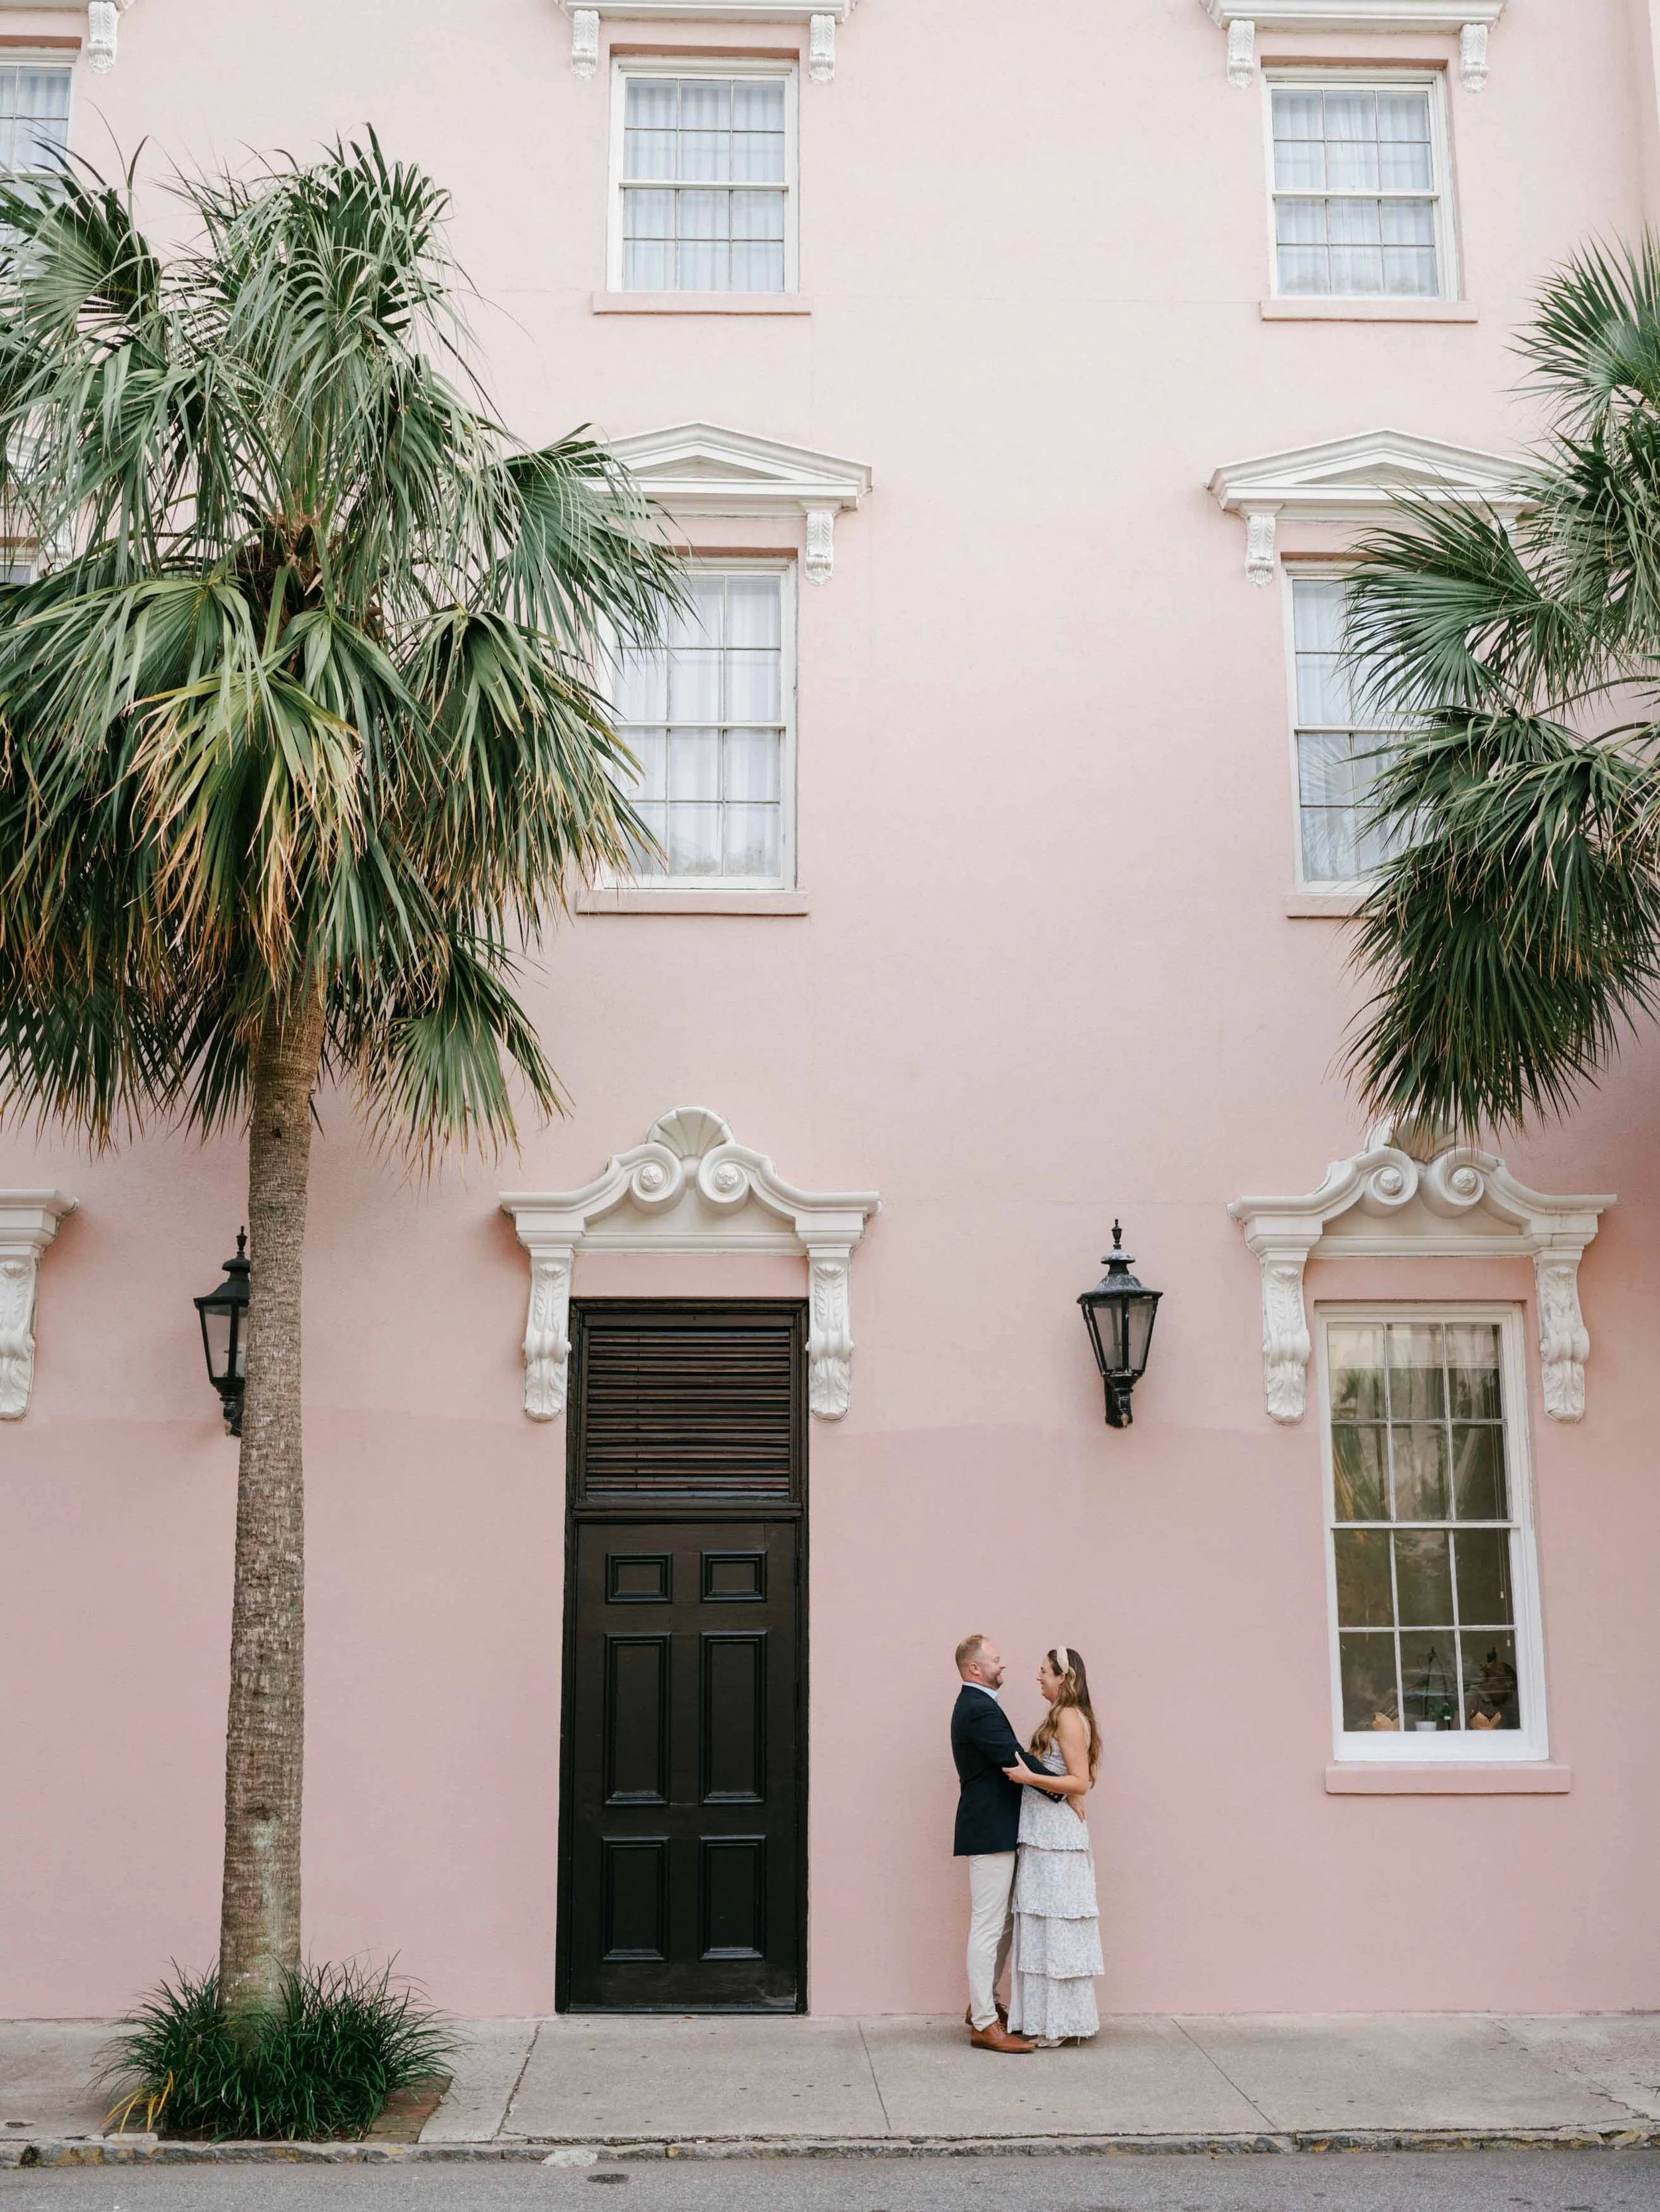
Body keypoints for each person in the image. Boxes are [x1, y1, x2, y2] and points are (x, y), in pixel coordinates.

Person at [1002, 1645, 1104, 2047]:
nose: (1038, 1677)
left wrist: (1029, 1777)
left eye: (1044, 1671)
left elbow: (1080, 1783)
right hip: (1044, 1835)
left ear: (1064, 1677)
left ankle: (1058, 2022)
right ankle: (1046, 2019)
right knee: (1044, 1927)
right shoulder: (1060, 1715)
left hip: (1057, 1839)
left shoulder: (1067, 1717)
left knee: (1056, 1927)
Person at [950, 1632, 1044, 2053]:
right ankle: (985, 2022)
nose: (1002, 1666)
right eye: (996, 1660)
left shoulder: (979, 1705)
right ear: (975, 1668)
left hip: (998, 1827)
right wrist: (1067, 1787)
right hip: (988, 1829)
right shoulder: (977, 1709)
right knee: (988, 1924)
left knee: (1001, 1922)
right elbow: (1014, 1759)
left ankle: (982, 2006)